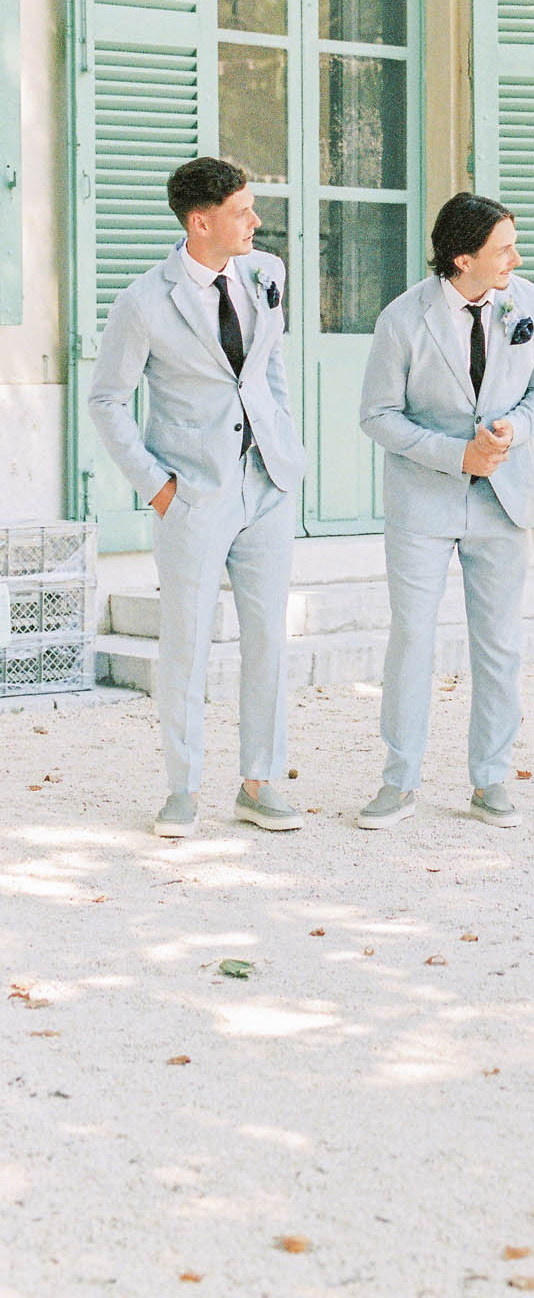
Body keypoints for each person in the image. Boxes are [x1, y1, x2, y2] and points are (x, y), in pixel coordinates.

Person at [88, 157, 306, 838]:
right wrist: (158, 489)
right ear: (201, 220)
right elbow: (106, 400)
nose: (256, 221)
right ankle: (182, 789)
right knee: (186, 644)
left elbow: (269, 366)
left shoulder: (267, 274)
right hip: (193, 495)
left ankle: (259, 782)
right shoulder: (144, 301)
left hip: (267, 484)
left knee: (269, 637)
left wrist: (284, 446)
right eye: (244, 210)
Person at [357, 193, 534, 830]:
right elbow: (377, 416)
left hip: (504, 501)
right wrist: (456, 455)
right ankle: (399, 780)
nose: (515, 259)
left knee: (499, 645)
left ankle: (492, 779)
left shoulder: (531, 304)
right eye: (503, 248)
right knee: (413, 640)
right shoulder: (402, 319)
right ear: (461, 257)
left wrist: (512, 429)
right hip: (424, 502)